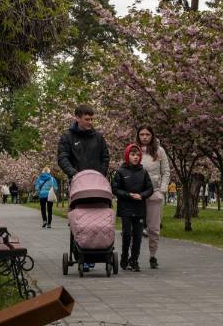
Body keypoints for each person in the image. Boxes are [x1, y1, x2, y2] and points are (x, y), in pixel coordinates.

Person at [57, 103, 110, 270]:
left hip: (96, 184)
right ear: (77, 118)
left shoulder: (98, 137)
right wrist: (74, 173)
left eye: (92, 119)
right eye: (87, 119)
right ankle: (80, 253)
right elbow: (62, 158)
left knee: (97, 217)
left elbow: (105, 157)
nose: (90, 122)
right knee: (78, 219)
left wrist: (100, 174)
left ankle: (98, 250)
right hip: (77, 183)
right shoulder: (67, 137)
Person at [112, 144, 154, 272]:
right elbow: (115, 189)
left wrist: (141, 195)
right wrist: (128, 195)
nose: (135, 157)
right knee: (127, 234)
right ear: (127, 156)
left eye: (137, 155)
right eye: (132, 155)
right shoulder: (120, 172)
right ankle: (124, 257)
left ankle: (134, 260)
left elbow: (150, 189)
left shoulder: (144, 172)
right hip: (126, 208)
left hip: (139, 209)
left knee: (137, 236)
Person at [136, 125, 171, 269]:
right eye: (142, 134)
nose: (144, 137)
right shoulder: (134, 150)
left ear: (152, 136)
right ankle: (134, 257)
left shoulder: (159, 151)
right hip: (137, 195)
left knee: (154, 228)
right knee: (135, 227)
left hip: (154, 193)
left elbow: (166, 172)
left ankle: (153, 256)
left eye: (147, 134)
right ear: (138, 136)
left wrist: (162, 191)